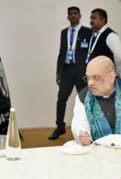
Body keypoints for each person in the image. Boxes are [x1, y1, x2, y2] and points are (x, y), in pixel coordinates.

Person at [49, 6, 92, 140]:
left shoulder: (87, 32)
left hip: (81, 71)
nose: (73, 16)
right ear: (68, 17)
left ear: (79, 16)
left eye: (75, 13)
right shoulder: (63, 32)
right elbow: (61, 53)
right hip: (66, 70)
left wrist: (89, 72)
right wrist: (58, 73)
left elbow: (90, 52)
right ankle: (60, 127)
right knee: (61, 99)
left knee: (85, 100)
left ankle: (90, 126)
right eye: (70, 14)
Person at [86, 8, 121, 73]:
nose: (91, 21)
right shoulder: (93, 34)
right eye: (91, 18)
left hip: (105, 75)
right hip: (94, 74)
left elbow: (119, 57)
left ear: (103, 20)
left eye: (94, 18)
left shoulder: (110, 35)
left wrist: (115, 70)